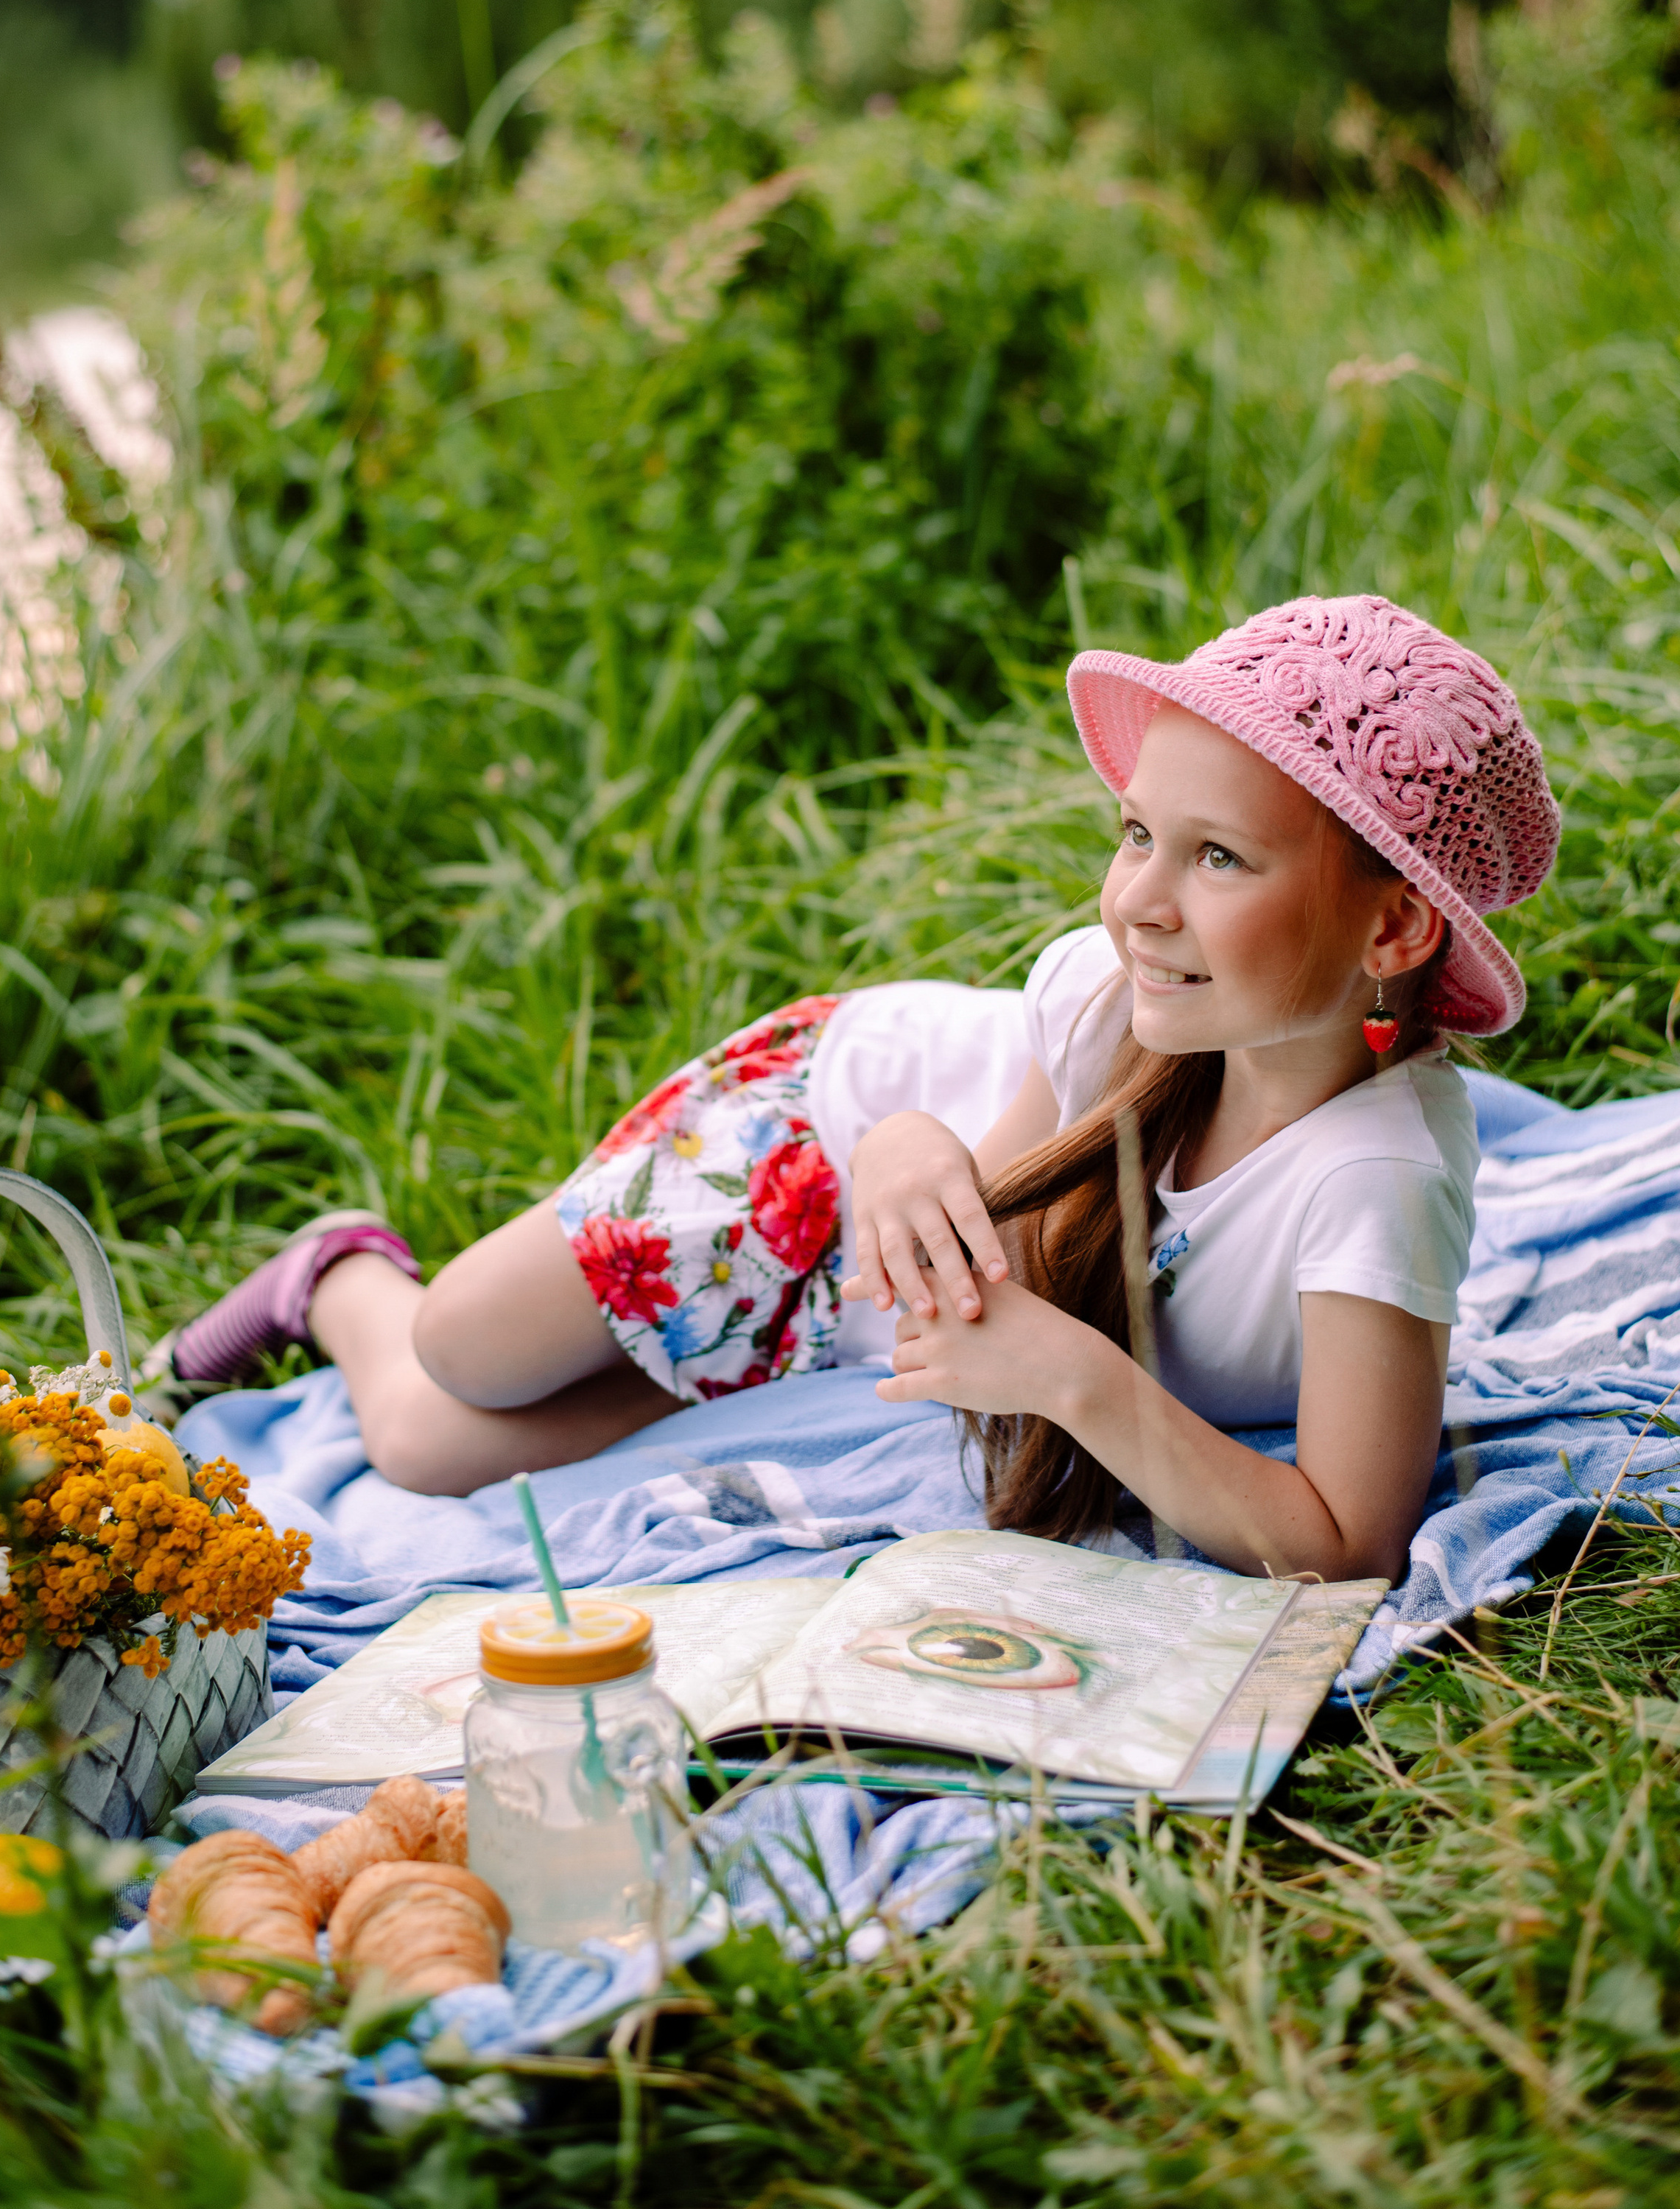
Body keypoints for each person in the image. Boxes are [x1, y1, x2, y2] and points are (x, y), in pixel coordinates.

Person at [160, 594, 1558, 1581]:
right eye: (1138, 831)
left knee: (421, 1445)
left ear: (1393, 930)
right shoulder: (1103, 999)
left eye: (1218, 859)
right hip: (823, 1148)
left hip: (909, 1317)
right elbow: (983, 1205)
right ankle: (353, 1269)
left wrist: (1077, 1379)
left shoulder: (1373, 1179)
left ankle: (325, 1273)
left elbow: (1347, 1543)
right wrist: (897, 1144)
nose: (1137, 898)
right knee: (465, 1346)